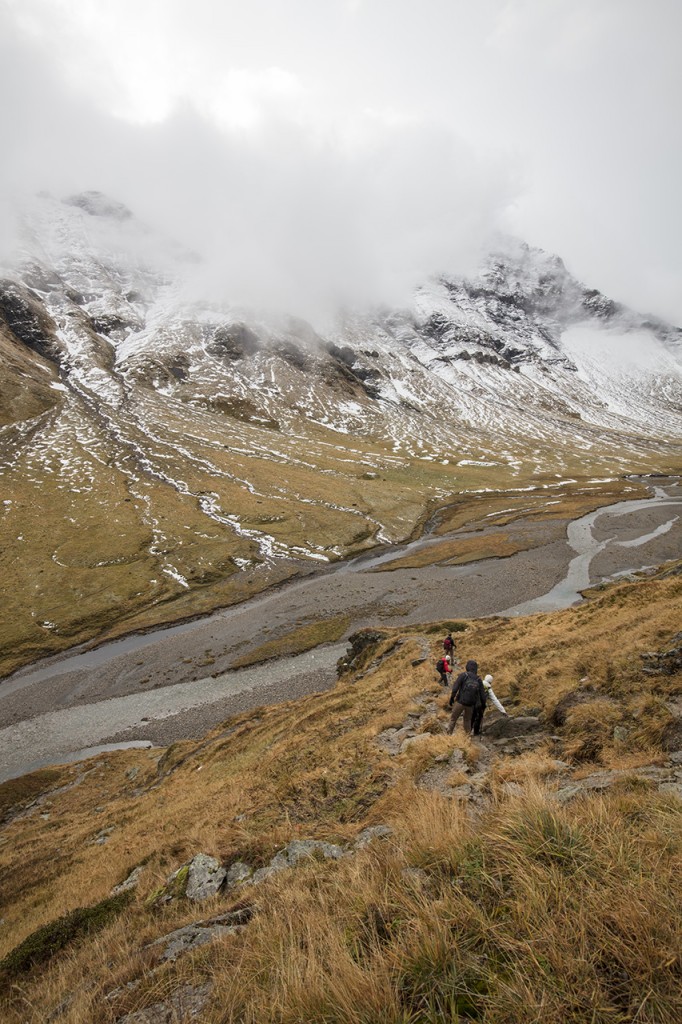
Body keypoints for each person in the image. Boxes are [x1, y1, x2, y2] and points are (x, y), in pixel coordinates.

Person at [447, 660, 485, 735]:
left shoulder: (463, 675)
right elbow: (482, 695)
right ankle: (467, 738)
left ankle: (448, 735)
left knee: (453, 719)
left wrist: (452, 697)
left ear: (467, 667)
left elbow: (455, 688)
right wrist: (482, 706)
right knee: (467, 720)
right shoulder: (478, 679)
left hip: (460, 702)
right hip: (470, 705)